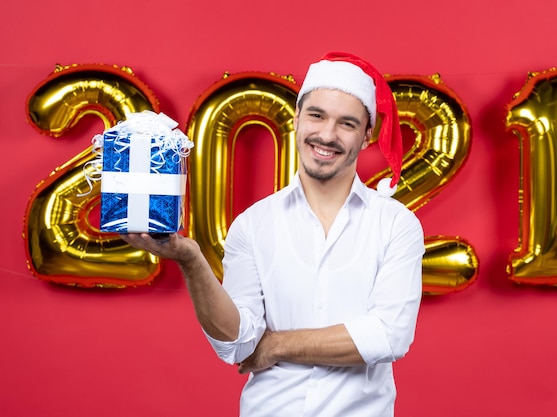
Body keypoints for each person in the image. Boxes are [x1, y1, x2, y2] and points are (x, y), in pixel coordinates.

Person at [121, 52, 424, 417]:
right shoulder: (252, 225)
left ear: (366, 136)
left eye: (346, 123)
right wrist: (191, 260)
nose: (327, 135)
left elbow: (388, 336)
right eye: (316, 115)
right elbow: (237, 345)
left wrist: (276, 345)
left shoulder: (396, 224)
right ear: (296, 119)